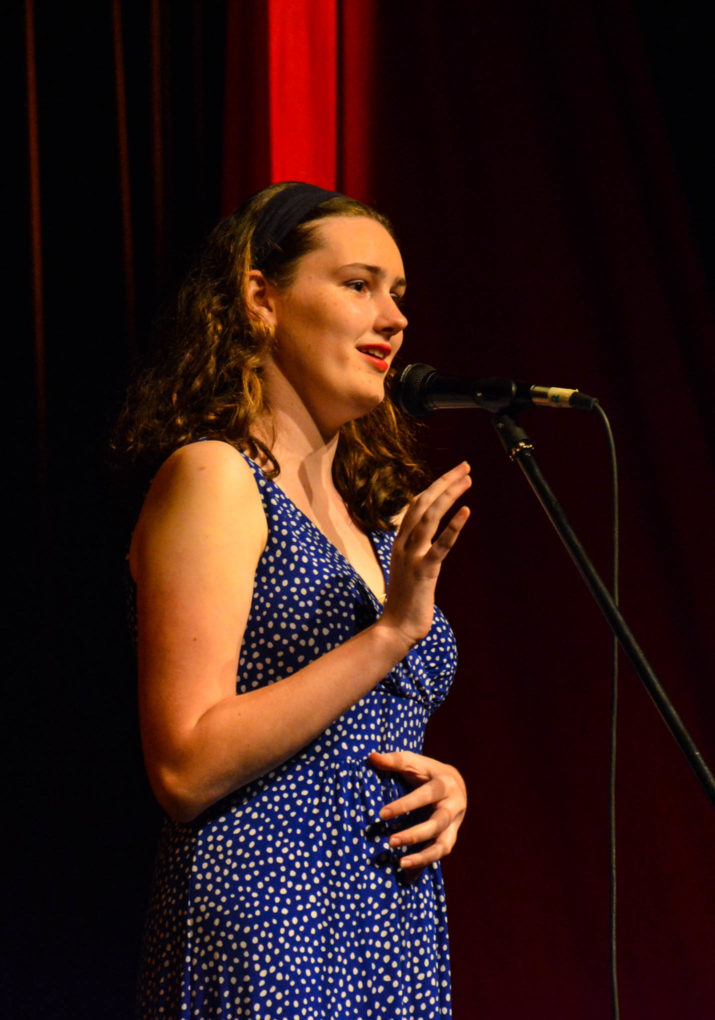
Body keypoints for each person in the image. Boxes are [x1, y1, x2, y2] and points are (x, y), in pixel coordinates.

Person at [118, 181, 471, 1019]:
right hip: (272, 910)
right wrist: (388, 636)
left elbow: (364, 724)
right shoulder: (214, 477)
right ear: (260, 298)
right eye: (357, 285)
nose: (393, 318)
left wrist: (444, 787)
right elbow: (184, 764)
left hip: (390, 913)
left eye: (397, 294)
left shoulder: (374, 520)